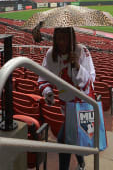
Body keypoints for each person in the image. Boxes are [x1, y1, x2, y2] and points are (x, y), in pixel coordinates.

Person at [38, 27, 96, 170]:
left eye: (65, 38)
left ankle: (72, 165)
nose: (62, 42)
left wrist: (77, 66)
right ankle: (81, 162)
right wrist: (48, 92)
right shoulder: (50, 54)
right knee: (73, 137)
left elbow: (90, 79)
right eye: (58, 38)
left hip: (83, 104)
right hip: (66, 106)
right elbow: (43, 78)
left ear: (72, 38)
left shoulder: (82, 51)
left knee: (63, 140)